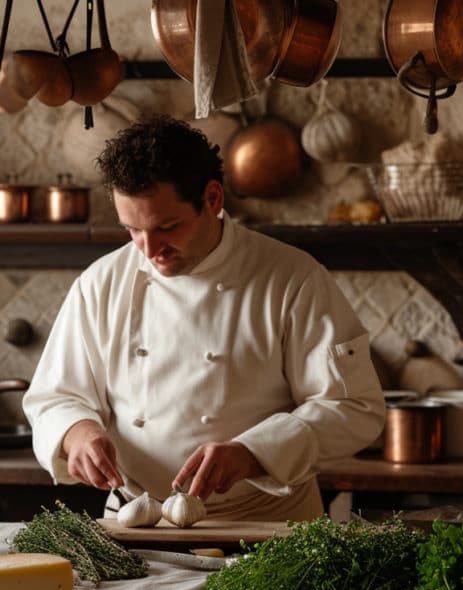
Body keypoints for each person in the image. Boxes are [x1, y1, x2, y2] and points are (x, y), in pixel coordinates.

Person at [23, 115, 384, 521]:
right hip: (138, 524)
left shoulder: (292, 278)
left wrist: (254, 452)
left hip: (264, 527)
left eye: (167, 227)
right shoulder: (100, 283)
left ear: (213, 199)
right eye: (132, 230)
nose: (148, 249)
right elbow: (56, 397)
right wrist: (79, 435)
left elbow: (353, 407)